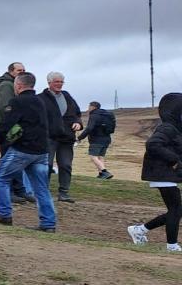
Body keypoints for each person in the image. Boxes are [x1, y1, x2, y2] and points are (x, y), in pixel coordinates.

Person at [0, 72, 57, 232]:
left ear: (18, 85)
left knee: (1, 178)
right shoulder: (41, 101)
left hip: (22, 149)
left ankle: (4, 214)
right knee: (41, 188)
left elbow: (6, 123)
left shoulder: (17, 102)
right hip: (41, 151)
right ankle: (48, 224)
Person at [126, 93, 182, 252]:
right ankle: (172, 246)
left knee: (177, 210)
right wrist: (174, 160)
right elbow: (153, 144)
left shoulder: (174, 129)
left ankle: (139, 230)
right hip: (162, 172)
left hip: (167, 174)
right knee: (175, 210)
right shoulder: (167, 128)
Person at [0, 62, 32, 201]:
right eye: (19, 70)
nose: (22, 72)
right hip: (8, 130)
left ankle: (19, 190)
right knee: (9, 160)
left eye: (24, 70)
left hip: (13, 129)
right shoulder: (7, 86)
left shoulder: (13, 85)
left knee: (16, 160)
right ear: (11, 71)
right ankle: (10, 192)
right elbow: (7, 109)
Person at [38, 72, 82, 203]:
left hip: (67, 137)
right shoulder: (40, 98)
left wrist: (78, 123)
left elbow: (77, 113)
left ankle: (64, 193)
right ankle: (42, 192)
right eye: (56, 82)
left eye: (61, 82)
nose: (59, 84)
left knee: (66, 165)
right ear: (49, 83)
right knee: (47, 165)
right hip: (48, 137)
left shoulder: (67, 96)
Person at [78, 101, 116, 179]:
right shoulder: (106, 114)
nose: (88, 108)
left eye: (89, 106)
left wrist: (79, 138)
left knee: (93, 156)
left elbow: (89, 128)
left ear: (93, 107)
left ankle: (105, 172)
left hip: (96, 139)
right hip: (107, 139)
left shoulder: (94, 115)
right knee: (100, 157)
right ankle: (101, 174)